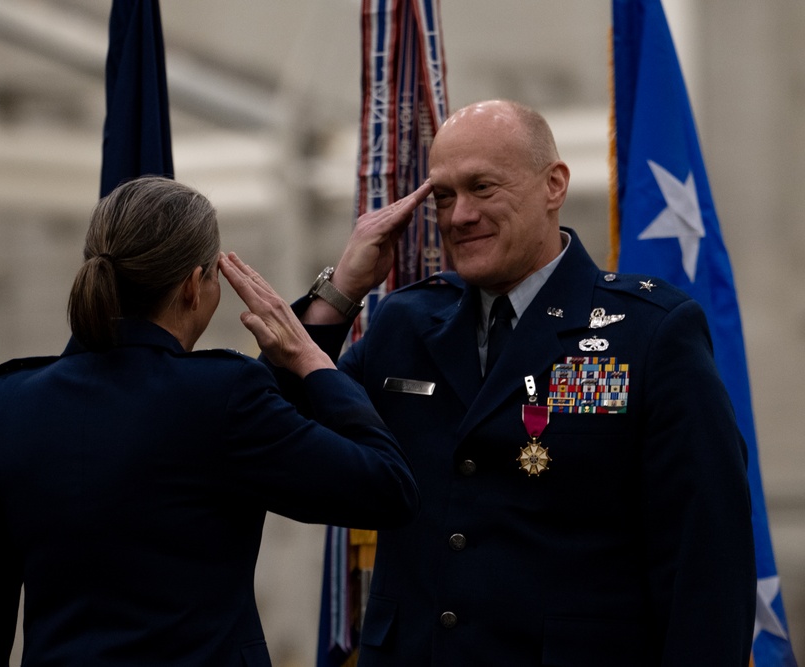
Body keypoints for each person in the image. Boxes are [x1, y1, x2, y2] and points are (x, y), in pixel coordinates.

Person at [291, 100, 755, 665]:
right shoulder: (405, 326)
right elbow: (284, 450)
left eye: (482, 187)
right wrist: (339, 295)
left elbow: (707, 561)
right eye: (443, 196)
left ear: (553, 184)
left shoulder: (650, 333)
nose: (459, 215)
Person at [0, 176, 420, 667]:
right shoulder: (222, 398)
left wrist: (336, 296)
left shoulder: (5, 403)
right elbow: (386, 486)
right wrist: (310, 358)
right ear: (195, 286)